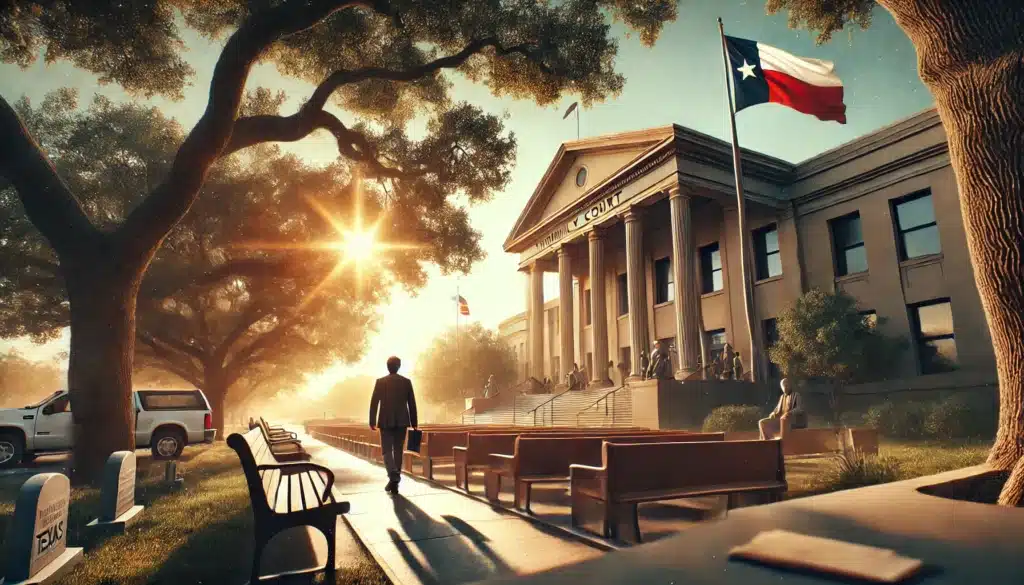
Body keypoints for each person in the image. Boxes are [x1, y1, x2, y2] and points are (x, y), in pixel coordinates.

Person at [369, 356, 418, 495]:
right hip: (402, 421)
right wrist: (414, 423)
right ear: (399, 366)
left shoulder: (380, 382)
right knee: (398, 451)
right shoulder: (406, 382)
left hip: (385, 420)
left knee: (386, 451)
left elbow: (374, 403)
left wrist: (372, 421)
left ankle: (393, 475)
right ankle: (395, 482)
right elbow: (412, 403)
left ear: (387, 366)